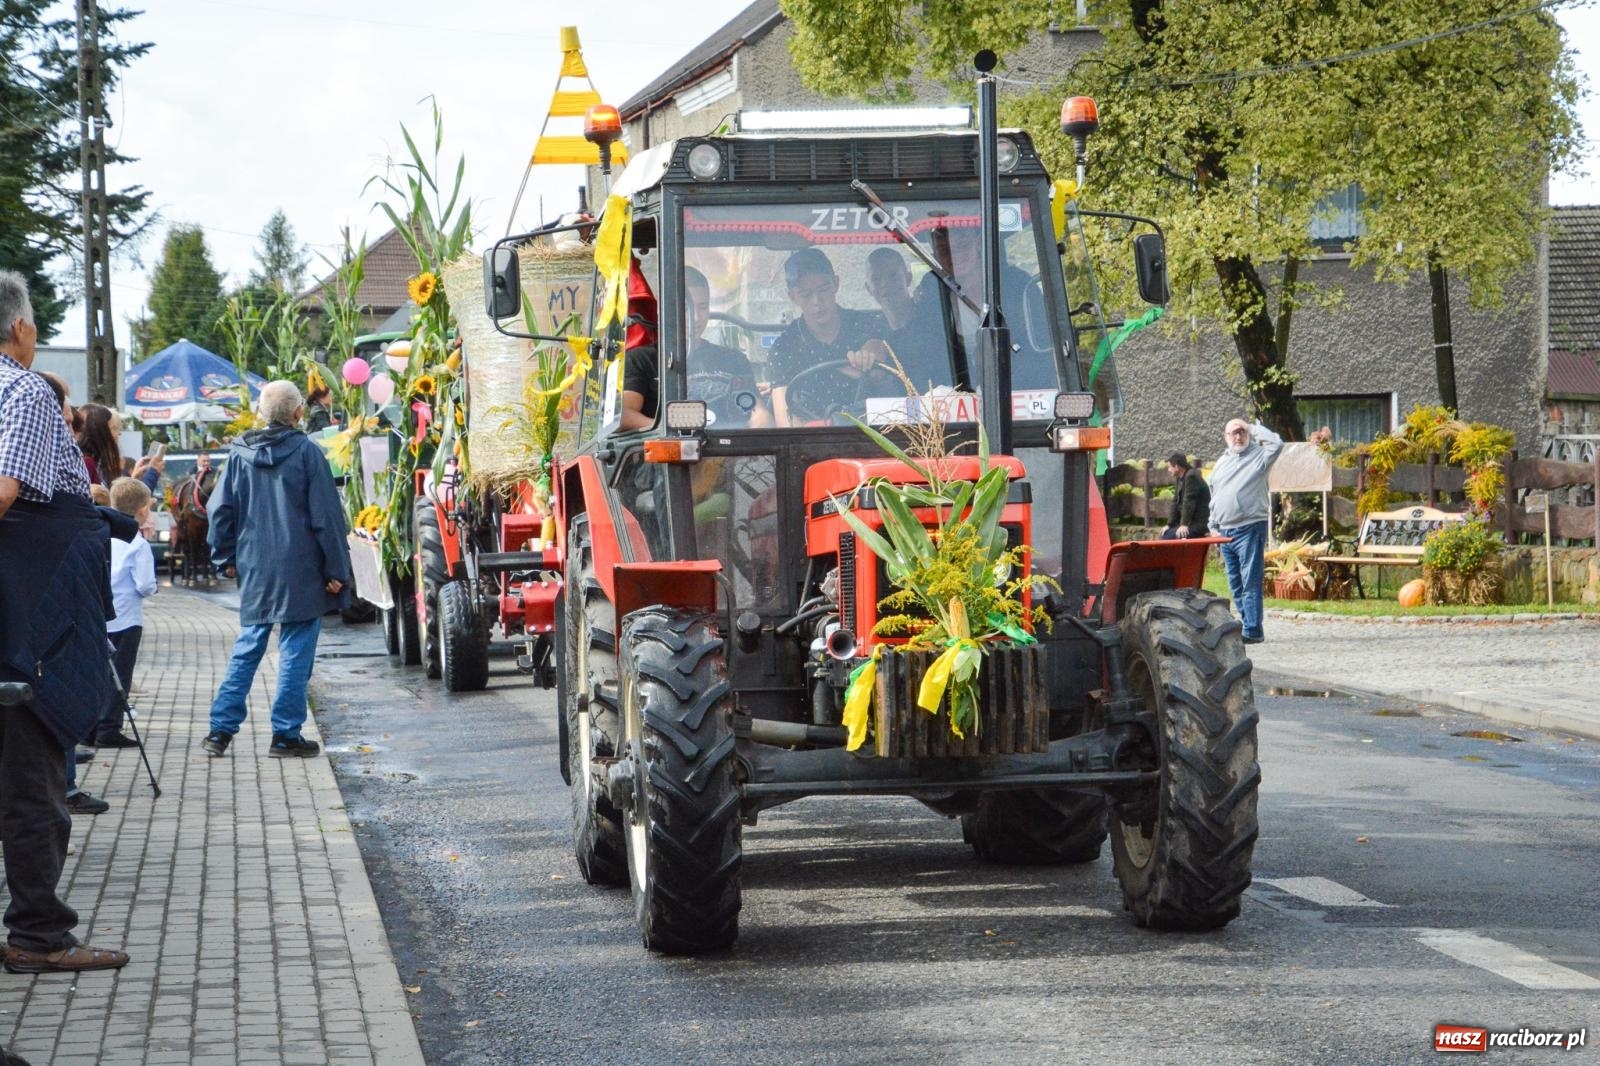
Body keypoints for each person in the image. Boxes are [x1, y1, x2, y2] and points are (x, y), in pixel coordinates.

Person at [0, 269, 130, 975]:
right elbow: (5, 493)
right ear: (20, 329)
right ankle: (37, 937)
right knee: (33, 783)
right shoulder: (19, 388)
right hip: (29, 628)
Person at [202, 380, 352, 758]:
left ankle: (219, 731)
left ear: (261, 414)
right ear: (298, 412)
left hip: (255, 563)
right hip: (301, 566)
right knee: (296, 649)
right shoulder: (307, 452)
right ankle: (285, 734)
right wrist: (337, 569)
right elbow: (326, 516)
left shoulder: (238, 455)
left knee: (250, 643)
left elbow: (220, 510)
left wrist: (225, 557)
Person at [622, 267, 770, 431]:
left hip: (731, 449)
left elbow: (757, 411)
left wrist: (761, 428)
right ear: (665, 309)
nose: (697, 318)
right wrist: (667, 428)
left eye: (703, 307)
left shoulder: (734, 359)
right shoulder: (641, 360)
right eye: (686, 308)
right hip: (670, 450)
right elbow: (626, 414)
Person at [768, 248, 891, 425]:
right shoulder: (783, 348)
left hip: (874, 435)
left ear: (836, 284)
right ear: (792, 296)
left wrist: (868, 360)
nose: (817, 301)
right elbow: (786, 421)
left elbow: (877, 352)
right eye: (806, 294)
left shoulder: (867, 324)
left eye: (823, 289)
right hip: (814, 442)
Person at [1208, 419, 1284, 644]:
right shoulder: (1222, 462)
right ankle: (1245, 622)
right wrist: (1212, 526)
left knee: (1250, 581)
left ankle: (1253, 630)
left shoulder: (1259, 457)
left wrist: (1255, 427)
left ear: (1248, 433)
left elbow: (1277, 444)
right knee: (1234, 581)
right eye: (1233, 433)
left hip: (1250, 526)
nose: (1238, 437)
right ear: (1226, 437)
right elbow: (1215, 496)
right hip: (1224, 530)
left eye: (1242, 432)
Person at [98, 478, 157, 748]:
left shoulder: (101, 533)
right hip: (127, 617)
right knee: (120, 673)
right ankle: (109, 726)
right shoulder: (137, 541)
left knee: (98, 671)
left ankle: (90, 724)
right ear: (143, 510)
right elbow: (145, 584)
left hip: (101, 615)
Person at [1161, 452, 1211, 540]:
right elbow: (1175, 502)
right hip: (1191, 522)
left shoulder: (1191, 476)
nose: (1168, 470)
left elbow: (1189, 501)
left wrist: (1184, 524)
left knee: (1168, 537)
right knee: (1164, 533)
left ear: (1176, 467)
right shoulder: (1180, 477)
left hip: (1198, 523)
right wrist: (1169, 524)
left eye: (1169, 467)